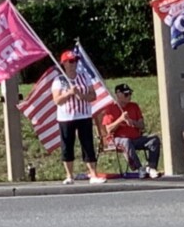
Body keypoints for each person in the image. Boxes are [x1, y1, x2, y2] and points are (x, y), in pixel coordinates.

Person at [52, 50, 106, 185]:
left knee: (87, 144)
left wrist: (82, 96)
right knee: (67, 145)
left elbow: (93, 95)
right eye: (70, 61)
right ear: (64, 63)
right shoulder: (59, 80)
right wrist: (69, 93)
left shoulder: (84, 77)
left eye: (75, 61)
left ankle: (93, 174)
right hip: (66, 117)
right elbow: (57, 100)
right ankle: (69, 175)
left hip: (84, 115)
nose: (73, 64)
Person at [100, 83, 161, 179]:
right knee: (126, 141)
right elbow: (108, 129)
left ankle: (151, 167)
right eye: (126, 94)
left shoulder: (134, 106)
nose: (129, 96)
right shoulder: (110, 108)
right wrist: (120, 120)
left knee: (154, 139)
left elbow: (142, 125)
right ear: (118, 94)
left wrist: (133, 122)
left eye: (130, 94)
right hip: (117, 139)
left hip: (136, 138)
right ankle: (139, 168)